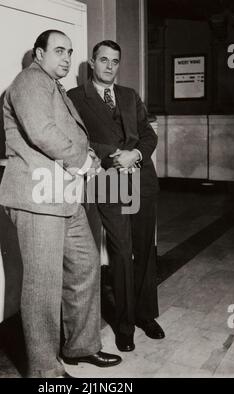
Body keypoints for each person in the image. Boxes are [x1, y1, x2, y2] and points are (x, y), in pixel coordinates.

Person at [0, 31, 121, 378]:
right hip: (37, 199)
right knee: (42, 287)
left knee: (85, 264)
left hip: (61, 195)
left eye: (70, 52)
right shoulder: (30, 82)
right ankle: (44, 372)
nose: (67, 58)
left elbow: (70, 135)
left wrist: (90, 155)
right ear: (39, 53)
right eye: (59, 51)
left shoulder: (53, 86)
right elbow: (42, 131)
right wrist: (83, 162)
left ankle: (80, 346)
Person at [68, 40, 165, 353]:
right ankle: (125, 326)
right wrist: (115, 155)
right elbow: (78, 140)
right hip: (108, 180)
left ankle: (145, 314)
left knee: (144, 249)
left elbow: (149, 134)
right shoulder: (75, 98)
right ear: (92, 63)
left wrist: (135, 153)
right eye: (104, 60)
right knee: (121, 251)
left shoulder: (129, 95)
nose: (110, 66)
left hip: (141, 179)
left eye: (115, 61)